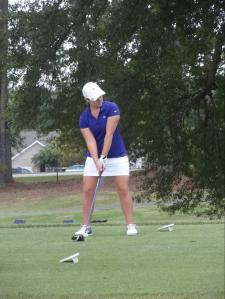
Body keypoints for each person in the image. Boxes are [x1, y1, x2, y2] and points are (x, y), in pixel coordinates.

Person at [73, 82, 138, 237]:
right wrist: (97, 161)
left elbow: (109, 134)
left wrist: (103, 157)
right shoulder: (84, 118)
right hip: (94, 157)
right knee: (88, 190)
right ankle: (86, 226)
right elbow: (90, 141)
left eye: (100, 96)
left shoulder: (111, 108)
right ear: (87, 99)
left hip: (117, 155)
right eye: (95, 98)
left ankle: (130, 225)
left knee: (122, 188)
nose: (100, 99)